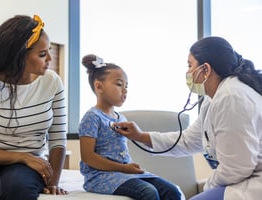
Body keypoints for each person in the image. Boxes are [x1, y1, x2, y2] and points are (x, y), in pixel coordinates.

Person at [114, 36, 262, 200]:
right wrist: (140, 136)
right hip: (242, 180)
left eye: (190, 65)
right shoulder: (213, 98)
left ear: (205, 69)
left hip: (254, 185)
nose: (187, 72)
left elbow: (238, 167)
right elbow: (190, 140)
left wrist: (208, 188)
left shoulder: (231, 97)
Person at [0, 15, 68, 200]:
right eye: (42, 54)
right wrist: (23, 156)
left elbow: (58, 139)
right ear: (17, 57)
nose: (50, 58)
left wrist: (53, 183)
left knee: (16, 187)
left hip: (27, 164)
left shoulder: (52, 82)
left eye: (48, 51)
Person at [79, 54, 184, 200]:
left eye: (126, 86)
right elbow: (88, 157)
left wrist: (126, 169)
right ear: (99, 86)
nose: (125, 90)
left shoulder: (121, 118)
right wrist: (124, 168)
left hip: (124, 174)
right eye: (119, 84)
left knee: (173, 191)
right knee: (148, 192)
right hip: (100, 177)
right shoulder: (92, 117)